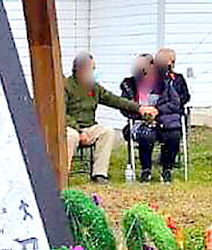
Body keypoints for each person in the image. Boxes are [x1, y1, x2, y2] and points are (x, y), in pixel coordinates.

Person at [64, 52, 157, 184]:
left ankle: (99, 174)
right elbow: (62, 114)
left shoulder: (94, 87)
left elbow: (115, 100)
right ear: (81, 69)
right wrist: (79, 131)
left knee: (107, 131)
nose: (93, 72)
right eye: (92, 69)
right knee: (71, 136)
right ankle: (62, 176)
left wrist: (140, 108)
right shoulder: (66, 86)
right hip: (71, 128)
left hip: (89, 127)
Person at [119, 53, 182, 183]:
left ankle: (167, 170)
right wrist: (142, 113)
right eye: (137, 66)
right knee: (146, 135)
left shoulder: (164, 83)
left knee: (173, 135)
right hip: (140, 121)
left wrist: (157, 111)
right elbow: (124, 106)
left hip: (163, 121)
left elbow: (175, 103)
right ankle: (145, 170)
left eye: (141, 65)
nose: (137, 68)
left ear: (151, 66)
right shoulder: (129, 85)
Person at [155, 47, 190, 117]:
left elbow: (185, 96)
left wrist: (175, 104)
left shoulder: (178, 78)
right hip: (158, 113)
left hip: (175, 114)